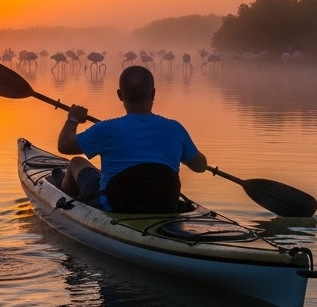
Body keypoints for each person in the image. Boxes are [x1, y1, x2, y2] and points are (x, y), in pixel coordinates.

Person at [56, 65, 207, 211]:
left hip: (116, 205)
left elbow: (64, 145)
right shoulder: (175, 129)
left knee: (76, 162)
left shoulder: (106, 129)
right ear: (153, 94)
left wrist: (73, 119)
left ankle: (65, 208)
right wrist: (184, 155)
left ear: (120, 95)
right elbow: (200, 166)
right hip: (164, 204)